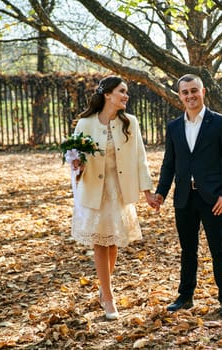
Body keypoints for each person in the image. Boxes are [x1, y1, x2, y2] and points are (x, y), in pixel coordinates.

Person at [69, 76, 158, 320]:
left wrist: (148, 192)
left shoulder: (130, 122)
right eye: (122, 91)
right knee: (101, 242)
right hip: (94, 190)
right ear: (107, 94)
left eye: (126, 92)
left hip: (119, 190)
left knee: (113, 242)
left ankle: (103, 286)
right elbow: (74, 157)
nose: (126, 96)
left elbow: (140, 158)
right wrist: (77, 163)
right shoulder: (85, 123)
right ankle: (108, 297)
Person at [154, 74, 222, 318]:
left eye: (194, 90)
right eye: (185, 92)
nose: (190, 95)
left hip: (213, 198)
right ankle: (185, 296)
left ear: (204, 92)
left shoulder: (221, 123)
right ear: (180, 95)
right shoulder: (173, 127)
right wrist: (161, 192)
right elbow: (168, 164)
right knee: (187, 249)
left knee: (218, 250)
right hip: (184, 198)